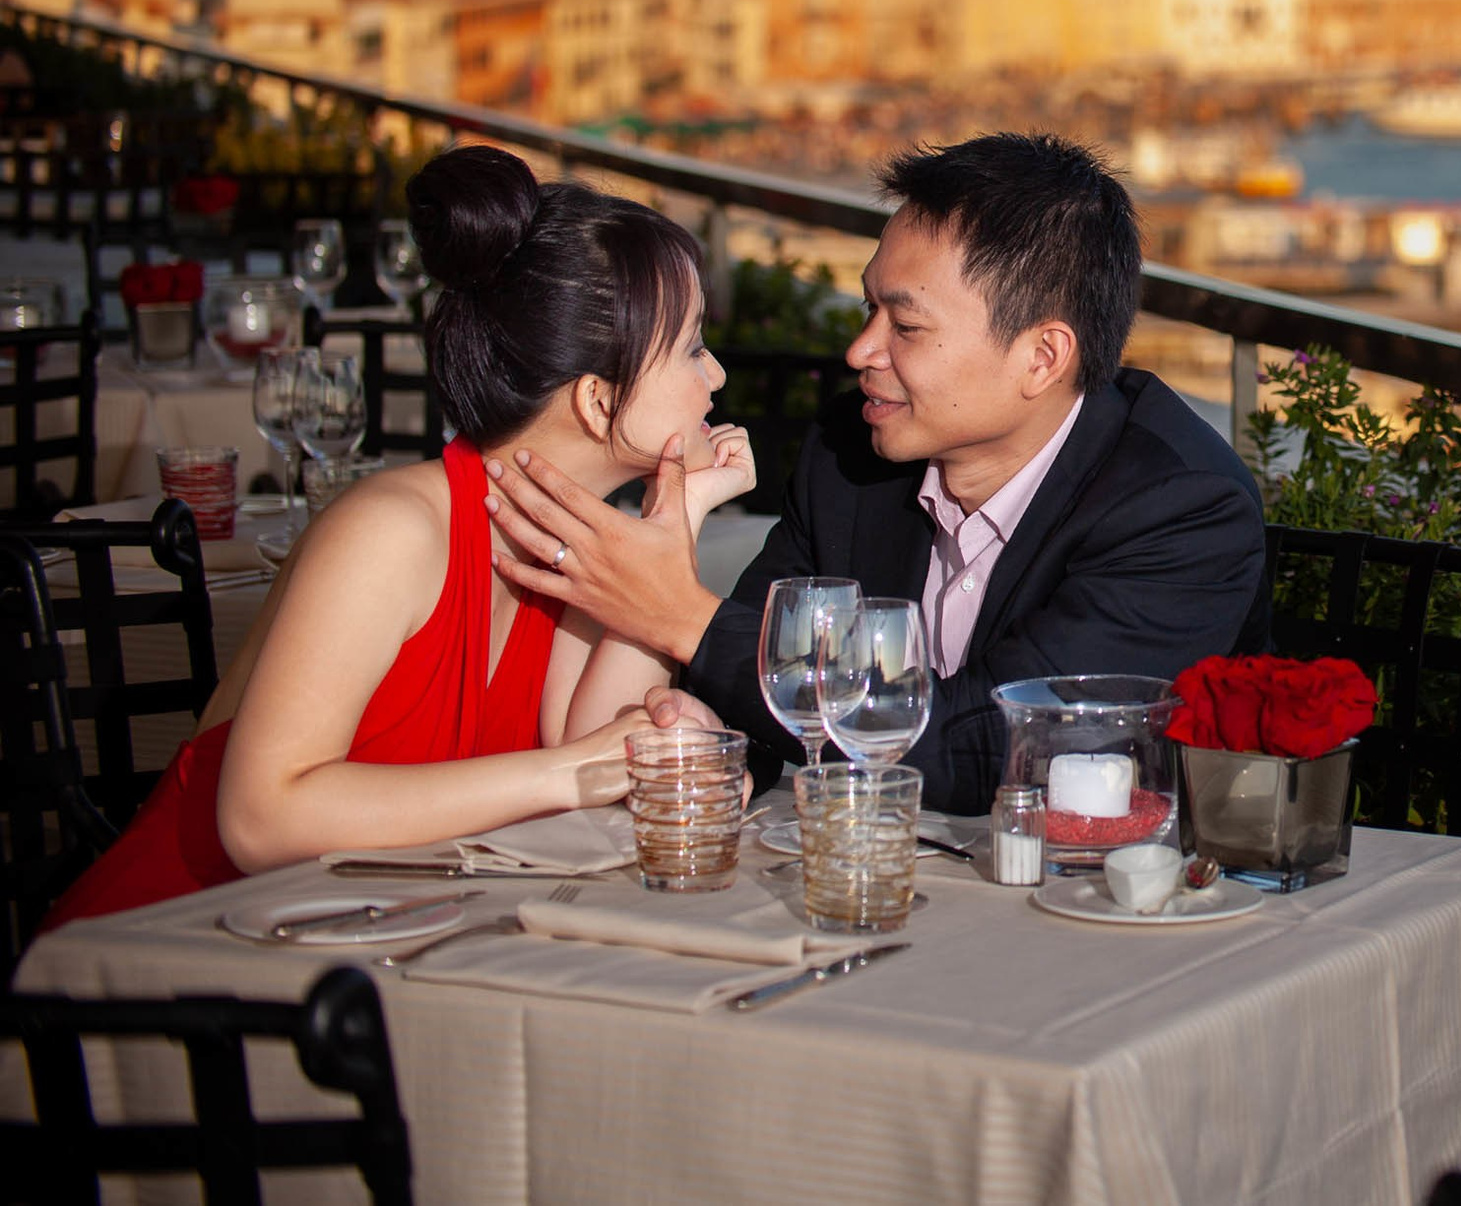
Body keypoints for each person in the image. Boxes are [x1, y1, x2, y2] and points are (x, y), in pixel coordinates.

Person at [45, 147, 754, 923]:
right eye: (690, 346)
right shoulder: (391, 531)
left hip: (363, 948)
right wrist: (571, 771)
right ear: (595, 399)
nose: (715, 375)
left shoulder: (583, 548)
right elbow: (261, 820)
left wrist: (673, 522)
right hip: (179, 956)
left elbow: (586, 764)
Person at [481, 131, 1269, 812]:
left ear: (1042, 356)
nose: (861, 351)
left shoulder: (1178, 508)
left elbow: (999, 752)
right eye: (868, 311)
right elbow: (748, 695)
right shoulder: (851, 453)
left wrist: (679, 616)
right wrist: (705, 737)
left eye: (906, 325)